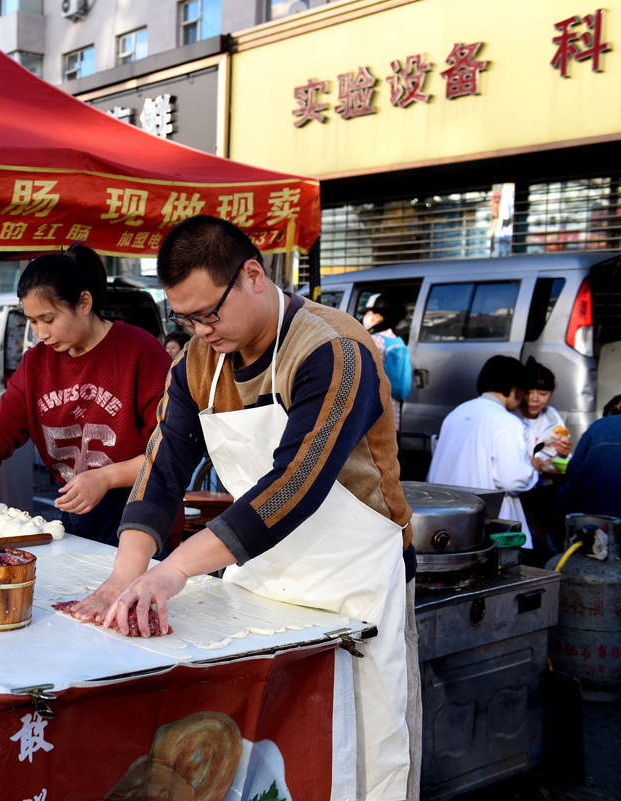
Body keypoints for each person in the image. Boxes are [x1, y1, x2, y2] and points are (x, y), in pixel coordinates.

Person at [70, 217, 418, 801]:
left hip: (358, 588)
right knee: (274, 761)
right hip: (261, 584)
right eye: (185, 319)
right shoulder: (196, 367)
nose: (201, 331)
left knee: (366, 761)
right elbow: (161, 472)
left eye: (210, 314)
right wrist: (125, 577)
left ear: (253, 275)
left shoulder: (333, 349)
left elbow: (293, 486)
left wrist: (175, 569)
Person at [0, 244, 182, 549]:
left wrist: (107, 477)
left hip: (143, 515)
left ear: (84, 302)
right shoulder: (37, 363)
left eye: (48, 319)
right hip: (76, 513)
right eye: (32, 321)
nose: (39, 333)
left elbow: (173, 450)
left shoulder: (140, 351)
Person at [427, 356, 539, 542]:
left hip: (445, 516)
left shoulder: (456, 413)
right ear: (514, 388)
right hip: (487, 523)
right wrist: (533, 470)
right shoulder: (508, 422)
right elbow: (513, 480)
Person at [362, 293, 410, 431]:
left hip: (373, 407)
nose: (366, 317)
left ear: (378, 316)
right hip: (392, 406)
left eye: (369, 313)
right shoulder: (397, 341)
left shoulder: (374, 341)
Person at [514, 358, 571, 457]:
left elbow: (560, 460)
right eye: (527, 393)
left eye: (543, 394)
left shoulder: (553, 418)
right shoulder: (511, 418)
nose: (534, 399)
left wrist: (564, 453)